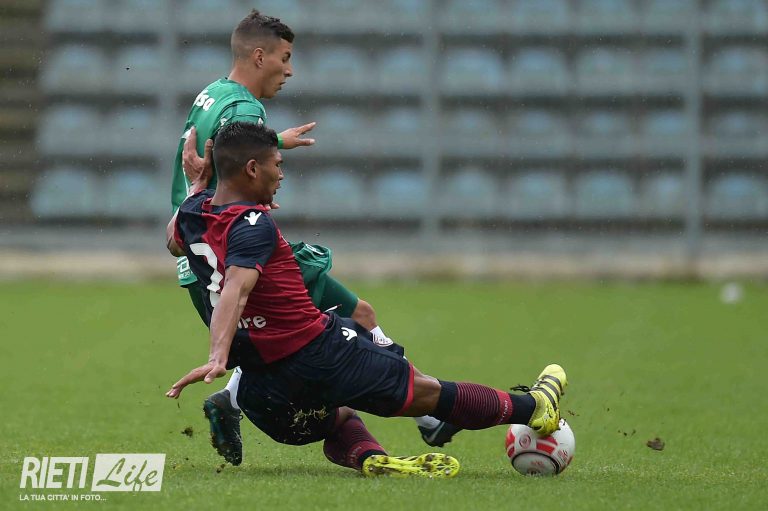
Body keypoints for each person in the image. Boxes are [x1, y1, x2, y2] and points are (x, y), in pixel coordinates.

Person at [165, 121, 568, 478]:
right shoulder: (254, 223)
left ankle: (369, 456)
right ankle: (534, 407)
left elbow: (173, 242)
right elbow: (237, 289)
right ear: (252, 169)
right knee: (426, 393)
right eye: (277, 164)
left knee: (337, 416)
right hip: (320, 353)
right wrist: (217, 355)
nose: (281, 174)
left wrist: (197, 189)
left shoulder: (192, 212)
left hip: (262, 386)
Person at [171, 9, 457, 466]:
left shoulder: (213, 93)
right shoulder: (246, 108)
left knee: (273, 346)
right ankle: (430, 414)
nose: (289, 70)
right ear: (259, 56)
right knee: (357, 315)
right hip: (236, 249)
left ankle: (234, 396)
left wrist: (274, 143)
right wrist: (258, 186)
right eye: (284, 58)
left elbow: (217, 155)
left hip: (199, 257)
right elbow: (231, 161)